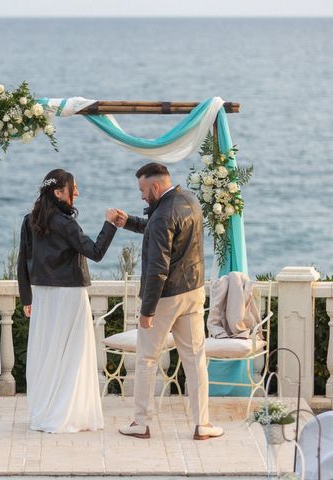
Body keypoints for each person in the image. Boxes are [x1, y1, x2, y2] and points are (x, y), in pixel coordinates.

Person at [113, 162, 223, 441]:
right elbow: (160, 232)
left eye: (142, 189)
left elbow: (157, 267)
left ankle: (141, 422)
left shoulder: (162, 215)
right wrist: (129, 222)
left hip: (166, 297)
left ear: (155, 186)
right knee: (195, 359)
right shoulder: (189, 200)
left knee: (147, 358)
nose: (140, 196)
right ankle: (202, 424)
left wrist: (147, 310)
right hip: (193, 292)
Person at [17, 168, 119, 433]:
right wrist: (110, 224)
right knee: (72, 353)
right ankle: (68, 412)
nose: (77, 193)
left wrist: (27, 297)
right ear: (58, 192)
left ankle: (46, 410)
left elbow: (22, 262)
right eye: (73, 189)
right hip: (70, 294)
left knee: (46, 353)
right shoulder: (66, 223)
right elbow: (95, 252)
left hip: (43, 295)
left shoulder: (30, 220)